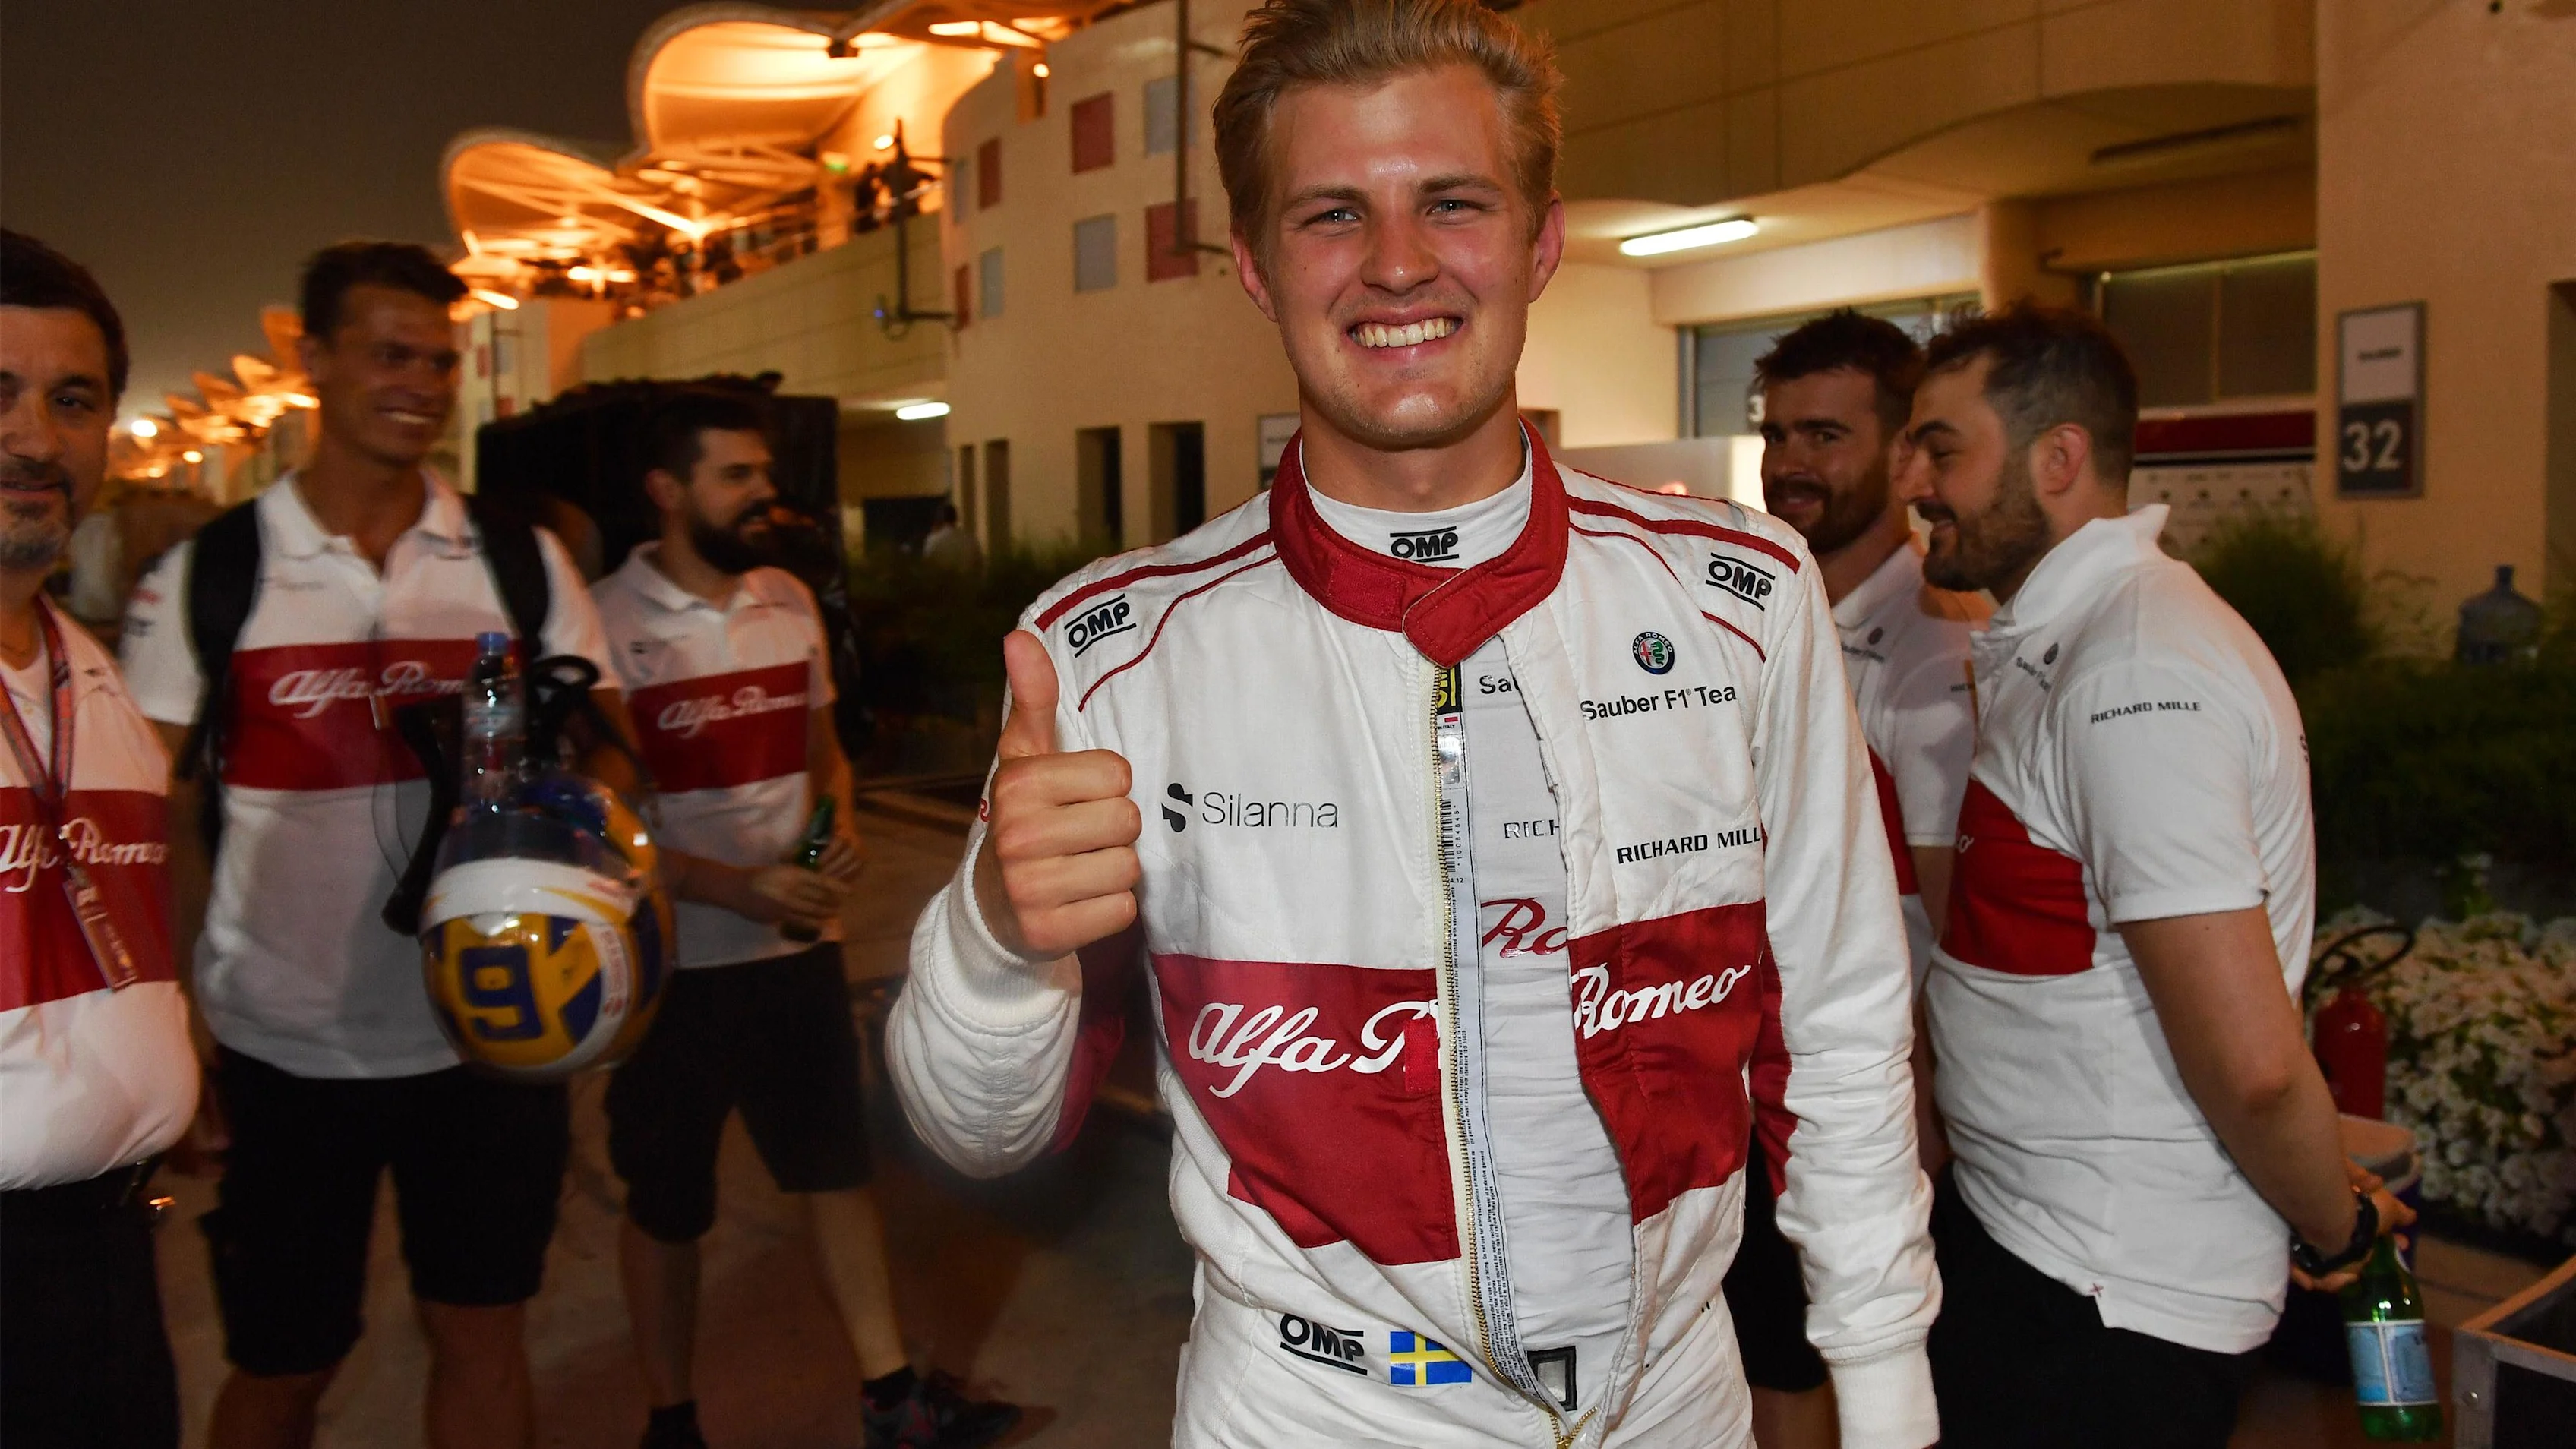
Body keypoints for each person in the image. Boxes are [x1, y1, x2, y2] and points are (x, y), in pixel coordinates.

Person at [888, 2, 1940, 1446]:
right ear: (1255, 267)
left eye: (1451, 201)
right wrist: (998, 943)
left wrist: (1884, 1389)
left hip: (1673, 1401)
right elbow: (973, 1130)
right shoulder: (1106, 653)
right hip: (1311, 1414)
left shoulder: (1742, 600)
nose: (1396, 263)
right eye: (1333, 214)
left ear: (1538, 240)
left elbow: (1837, 1025)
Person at [120, 241, 626, 1449]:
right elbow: (160, 824)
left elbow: (612, 755)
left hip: (490, 1037)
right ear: (315, 362)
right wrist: (177, 1027)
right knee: (283, 1365)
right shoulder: (215, 573)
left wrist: (576, 850)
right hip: (283, 1049)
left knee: (484, 1335)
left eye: (441, 361)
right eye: (389, 353)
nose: (420, 383)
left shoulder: (518, 560)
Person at [1897, 303, 2408, 1448]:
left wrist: (2338, 1229)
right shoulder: (2072, 639)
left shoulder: (2137, 671)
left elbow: (2256, 1065)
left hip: (2108, 1298)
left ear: (2060, 458)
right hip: (2033, 1249)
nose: (1915, 481)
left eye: (1943, 448)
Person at [592, 390, 1020, 1449]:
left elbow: (824, 748)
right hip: (669, 969)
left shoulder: (785, 597)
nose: (761, 497)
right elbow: (597, 823)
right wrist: (728, 887)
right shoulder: (601, 621)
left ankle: (893, 1403)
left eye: (764, 477)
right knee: (668, 1206)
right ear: (666, 491)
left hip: (798, 953)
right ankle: (670, 1421)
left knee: (836, 1172)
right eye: (734, 477)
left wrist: (834, 827)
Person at [1724, 311, 1981, 1449]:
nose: (1792, 463)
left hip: (1859, 1115)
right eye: (1779, 433)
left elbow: (1953, 937)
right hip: (1743, 1092)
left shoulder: (1937, 660)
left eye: (1826, 434)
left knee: (1835, 1379)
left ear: (1902, 454)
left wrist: (1910, 1139)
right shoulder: (1764, 626)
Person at [0, 229, 198, 1449]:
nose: (33, 439)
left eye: (71, 402)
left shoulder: (95, 678)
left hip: (113, 1266)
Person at [920, 500, 980, 570]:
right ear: (956, 518)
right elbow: (979, 564)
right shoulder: (969, 539)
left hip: (941, 580)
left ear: (939, 520)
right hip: (966, 580)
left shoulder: (932, 540)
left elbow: (927, 565)